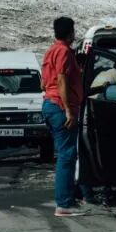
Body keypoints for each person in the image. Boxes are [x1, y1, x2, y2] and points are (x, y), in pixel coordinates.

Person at [41, 17, 84, 217]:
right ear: (70, 33)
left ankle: (67, 200)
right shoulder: (64, 52)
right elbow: (61, 80)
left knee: (64, 154)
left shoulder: (50, 51)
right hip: (60, 107)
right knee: (67, 156)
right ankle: (64, 204)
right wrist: (68, 109)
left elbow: (43, 83)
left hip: (49, 105)